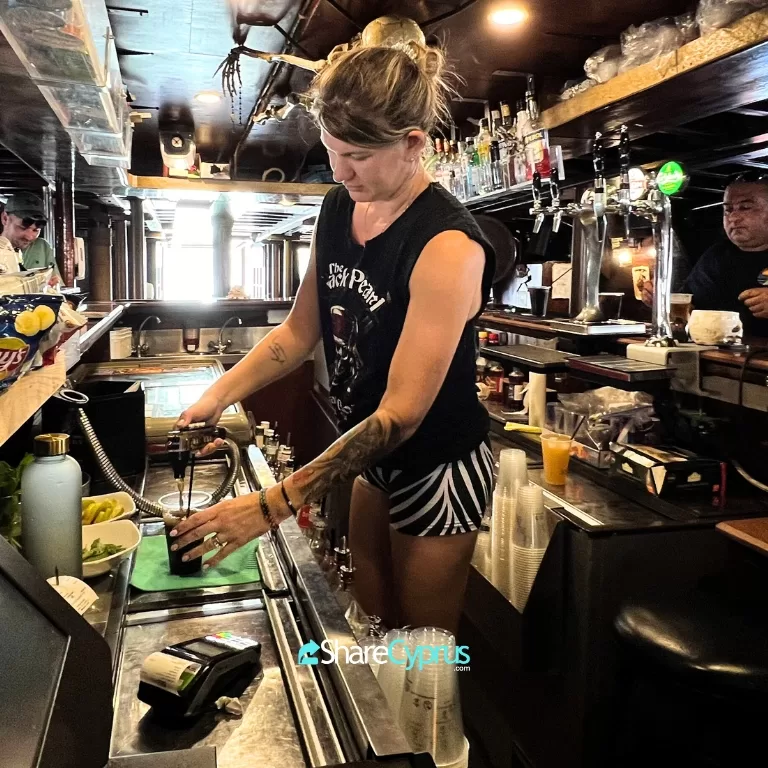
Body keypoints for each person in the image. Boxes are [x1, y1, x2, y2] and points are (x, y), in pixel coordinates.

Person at [171, 42, 496, 634]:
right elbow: (300, 330)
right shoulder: (338, 207)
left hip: (437, 463)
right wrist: (217, 394)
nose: (341, 172)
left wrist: (270, 506)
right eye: (331, 151)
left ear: (413, 144)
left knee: (421, 650)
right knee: (372, 624)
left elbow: (401, 415)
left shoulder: (446, 245)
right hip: (369, 453)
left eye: (358, 156)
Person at [677, 174, 768, 337]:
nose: (733, 217)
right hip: (724, 358)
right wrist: (660, 300)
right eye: (728, 210)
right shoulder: (716, 256)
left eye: (745, 207)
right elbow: (688, 306)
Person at [0, 193, 61, 285]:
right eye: (22, 228)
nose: (30, 236)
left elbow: (56, 283)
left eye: (36, 230)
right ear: (5, 219)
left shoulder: (42, 247)